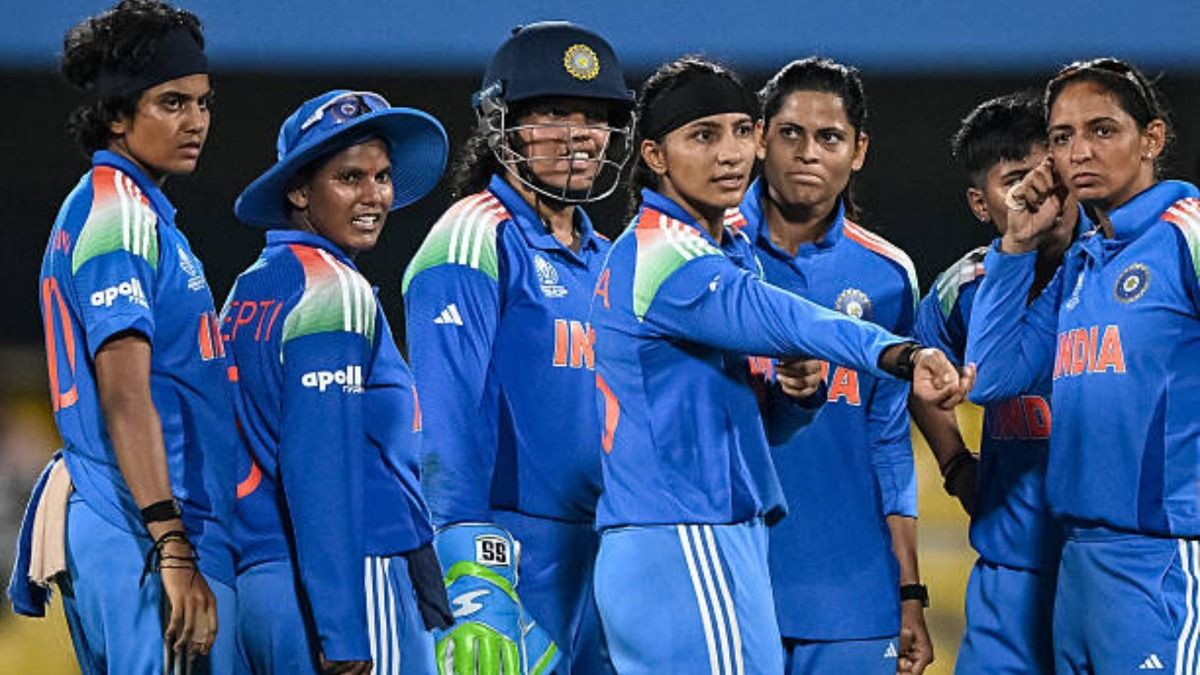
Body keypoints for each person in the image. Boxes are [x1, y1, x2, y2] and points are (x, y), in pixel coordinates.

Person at [589, 55, 974, 675]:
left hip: (739, 542)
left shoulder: (726, 247)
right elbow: (778, 315)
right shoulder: (664, 250)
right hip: (686, 530)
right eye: (704, 136)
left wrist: (794, 395)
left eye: (740, 131)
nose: (730, 154)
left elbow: (775, 419)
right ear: (655, 155)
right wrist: (899, 352)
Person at [5, 1, 236, 672]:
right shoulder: (118, 215)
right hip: (130, 519)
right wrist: (171, 540)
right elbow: (125, 392)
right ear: (115, 114)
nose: (195, 121)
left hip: (125, 515)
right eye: (171, 102)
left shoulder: (130, 211)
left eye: (202, 102)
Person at [402, 21, 635, 675]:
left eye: (595, 116)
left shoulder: (616, 262)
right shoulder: (473, 234)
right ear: (500, 124)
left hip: (608, 555)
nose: (578, 133)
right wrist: (469, 568)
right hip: (513, 556)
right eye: (552, 112)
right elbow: (443, 417)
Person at [964, 58, 1200, 673]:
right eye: (1064, 138)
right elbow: (991, 377)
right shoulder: (1083, 262)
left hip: (1163, 560)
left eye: (1103, 130)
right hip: (1078, 563)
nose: (1080, 152)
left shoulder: (1187, 235)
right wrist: (1014, 245)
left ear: (1151, 139)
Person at [222, 89, 451, 675]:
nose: (373, 195)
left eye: (381, 176)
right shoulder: (333, 290)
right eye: (350, 176)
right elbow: (321, 465)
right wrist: (342, 627)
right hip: (348, 577)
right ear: (299, 190)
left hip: (263, 580)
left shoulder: (251, 286)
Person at [733, 57, 930, 674]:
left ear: (859, 150)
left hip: (852, 596)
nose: (808, 153)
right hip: (728, 578)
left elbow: (888, 440)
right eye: (790, 133)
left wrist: (909, 592)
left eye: (830, 137)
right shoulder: (701, 252)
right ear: (761, 138)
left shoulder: (888, 276)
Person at [909, 91, 1072, 674]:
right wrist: (956, 464)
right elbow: (918, 372)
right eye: (1014, 183)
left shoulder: (1119, 271)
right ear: (981, 203)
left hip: (1109, 561)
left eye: (1047, 175)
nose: (1038, 196)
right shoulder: (965, 288)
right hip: (1008, 572)